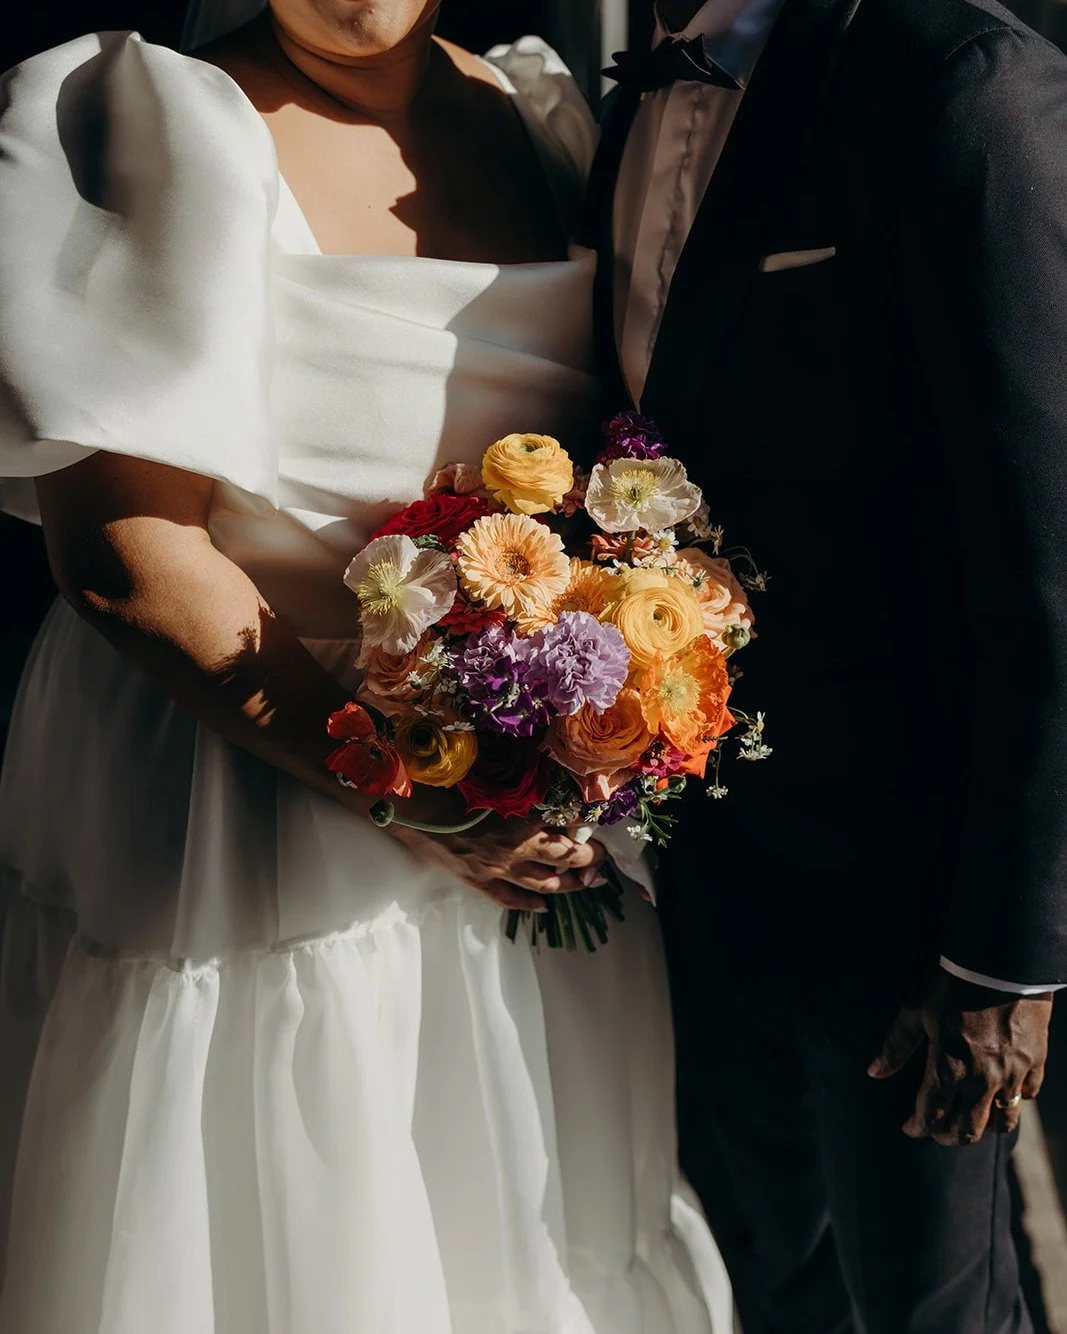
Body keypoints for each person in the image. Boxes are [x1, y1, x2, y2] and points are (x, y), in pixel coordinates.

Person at [0, 3, 734, 1330]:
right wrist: (411, 787)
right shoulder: (146, 122)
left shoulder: (543, 114)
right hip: (253, 786)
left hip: (517, 825)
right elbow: (126, 557)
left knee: (515, 1239)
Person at [586, 0, 1067, 1329]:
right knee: (774, 1297)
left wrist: (1003, 958)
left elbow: (1048, 559)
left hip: (910, 907)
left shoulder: (965, 82)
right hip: (707, 872)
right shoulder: (633, 96)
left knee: (937, 1312)